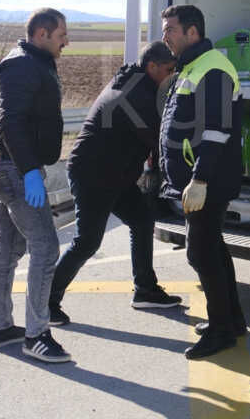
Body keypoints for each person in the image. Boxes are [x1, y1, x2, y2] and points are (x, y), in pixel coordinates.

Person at [48, 41, 181, 325]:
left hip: (115, 174)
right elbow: (160, 136)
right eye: (169, 69)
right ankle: (45, 303)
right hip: (94, 173)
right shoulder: (135, 94)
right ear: (152, 67)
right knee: (87, 242)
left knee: (142, 219)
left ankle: (145, 289)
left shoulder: (139, 84)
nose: (172, 75)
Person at [158, 4, 247, 360]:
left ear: (192, 32)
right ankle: (232, 320)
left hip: (208, 181)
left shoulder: (213, 69)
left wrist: (200, 179)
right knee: (213, 248)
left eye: (170, 30)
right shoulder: (193, 67)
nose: (165, 36)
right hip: (199, 180)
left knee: (201, 252)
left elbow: (216, 130)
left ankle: (222, 330)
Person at [0, 8, 70, 363]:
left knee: (9, 248)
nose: (66, 40)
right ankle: (36, 334)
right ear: (41, 34)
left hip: (10, 166)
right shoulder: (21, 65)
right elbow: (12, 121)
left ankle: (0, 326)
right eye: (61, 34)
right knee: (46, 247)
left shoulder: (34, 61)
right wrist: (31, 170)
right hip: (16, 169)